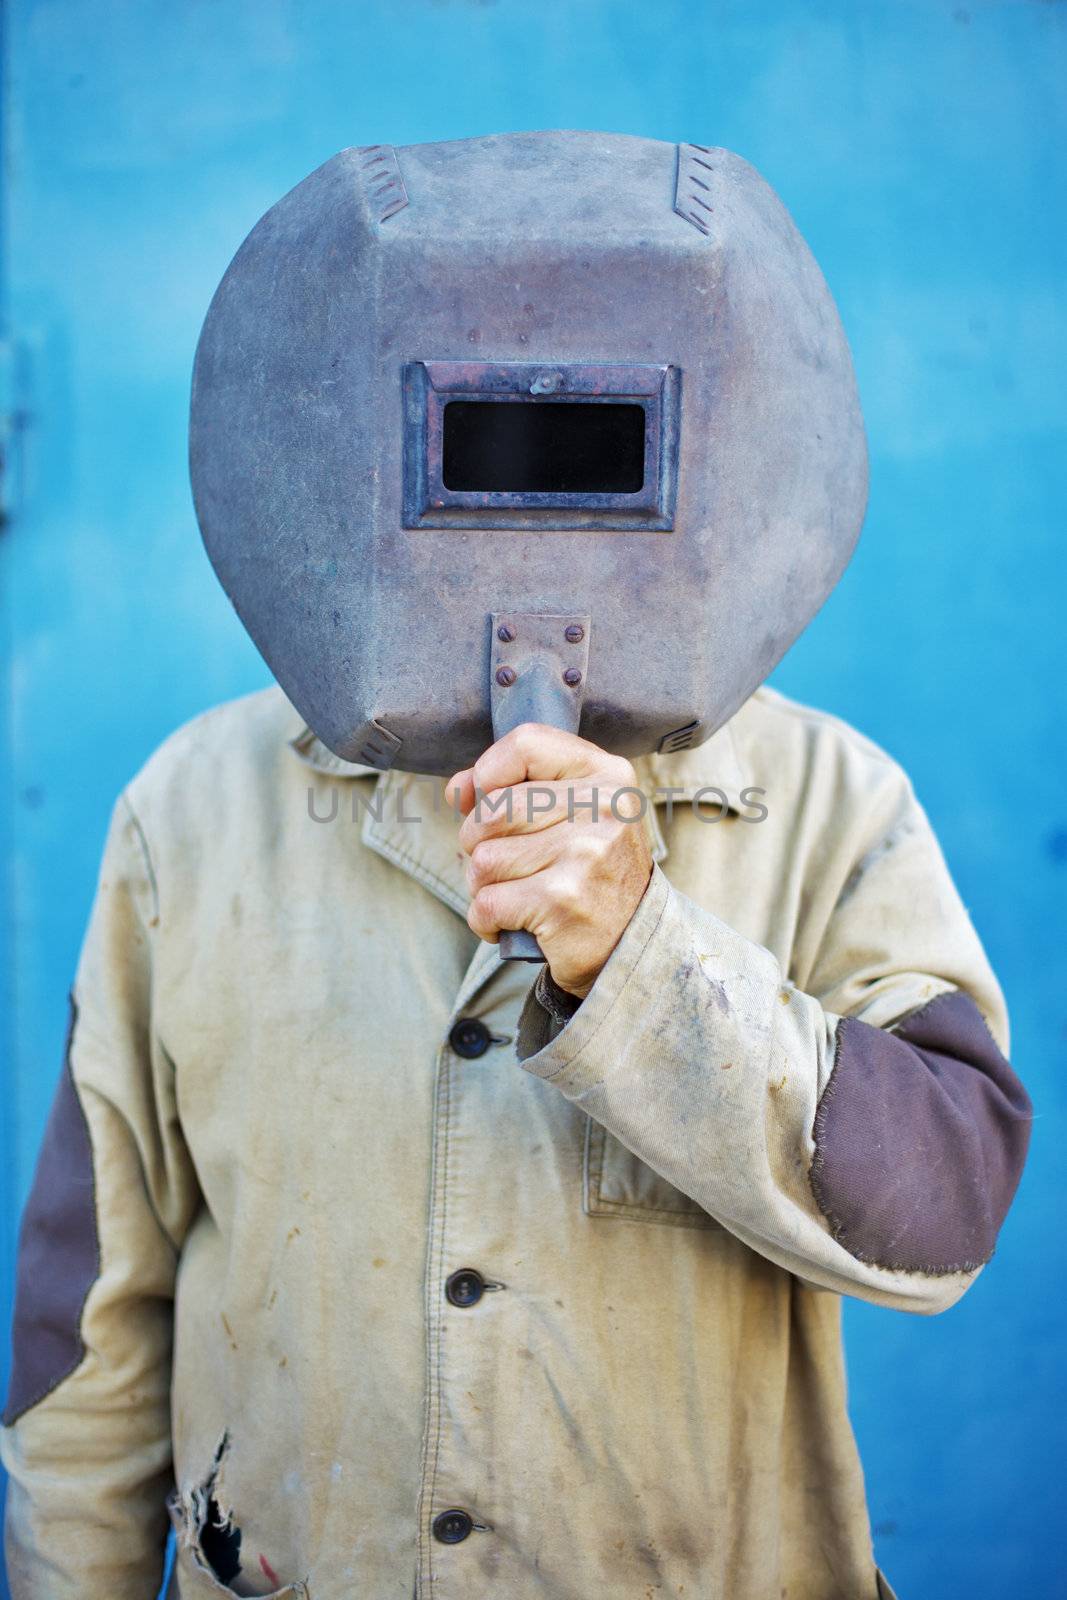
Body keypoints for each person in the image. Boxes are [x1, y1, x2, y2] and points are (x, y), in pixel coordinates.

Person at [1, 133, 1033, 1600]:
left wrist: (646, 966)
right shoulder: (193, 814)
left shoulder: (825, 799)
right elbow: (90, 1341)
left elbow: (945, 1218)